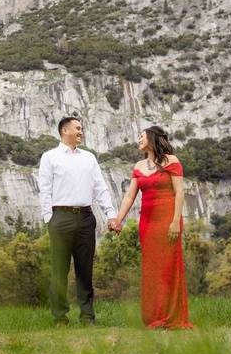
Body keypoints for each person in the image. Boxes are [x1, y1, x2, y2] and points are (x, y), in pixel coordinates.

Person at [111, 125, 194, 329]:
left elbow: (180, 193)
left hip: (168, 220)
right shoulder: (139, 166)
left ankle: (172, 315)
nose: (138, 140)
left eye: (141, 136)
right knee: (152, 269)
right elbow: (130, 196)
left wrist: (176, 221)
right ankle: (154, 316)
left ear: (152, 138)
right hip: (147, 223)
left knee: (168, 267)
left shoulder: (171, 161)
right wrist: (118, 220)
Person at [38, 116, 117, 326]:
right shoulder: (50, 157)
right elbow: (44, 189)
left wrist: (110, 214)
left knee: (85, 270)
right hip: (60, 218)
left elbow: (100, 188)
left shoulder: (89, 158)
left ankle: (87, 316)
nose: (81, 132)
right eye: (78, 128)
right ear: (65, 131)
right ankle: (60, 317)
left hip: (85, 217)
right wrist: (49, 219)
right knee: (59, 270)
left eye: (82, 128)